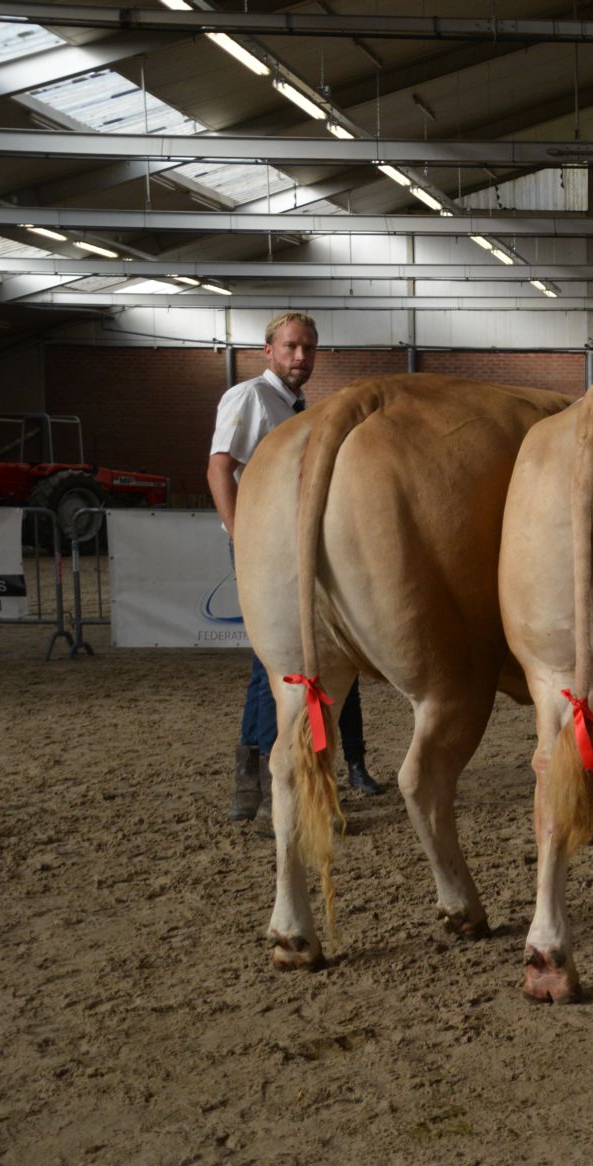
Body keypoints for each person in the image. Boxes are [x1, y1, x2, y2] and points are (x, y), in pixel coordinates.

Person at [208, 312, 380, 824]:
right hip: (267, 548)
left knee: (272, 665)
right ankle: (271, 792)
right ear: (268, 350)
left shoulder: (297, 406)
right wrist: (244, 537)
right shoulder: (249, 398)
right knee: (285, 666)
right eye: (290, 347)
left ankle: (252, 786)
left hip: (291, 548)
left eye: (308, 348)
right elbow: (219, 467)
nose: (300, 357)